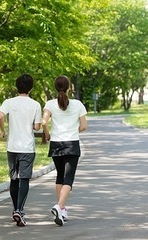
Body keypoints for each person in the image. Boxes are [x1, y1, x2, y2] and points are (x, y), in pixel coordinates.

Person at [0, 73, 42, 226]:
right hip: (27, 147)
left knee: (14, 178)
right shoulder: (35, 105)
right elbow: (36, 127)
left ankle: (15, 209)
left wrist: (3, 130)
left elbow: (0, 116)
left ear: (17, 86)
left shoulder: (9, 102)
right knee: (24, 179)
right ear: (31, 87)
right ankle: (19, 210)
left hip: (12, 146)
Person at [42, 75, 87, 226]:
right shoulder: (78, 104)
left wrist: (48, 134)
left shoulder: (49, 104)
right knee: (69, 178)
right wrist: (74, 130)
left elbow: (44, 122)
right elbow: (84, 126)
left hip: (56, 143)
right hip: (72, 143)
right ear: (69, 88)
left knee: (60, 176)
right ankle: (59, 206)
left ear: (56, 87)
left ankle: (62, 210)